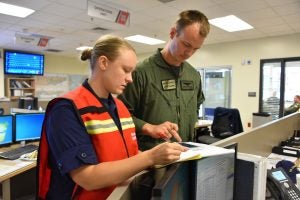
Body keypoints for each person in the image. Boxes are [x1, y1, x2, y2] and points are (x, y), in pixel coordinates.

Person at [37, 35, 187, 200]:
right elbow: (88, 178)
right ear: (103, 63)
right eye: (125, 70)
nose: (130, 79)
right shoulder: (65, 109)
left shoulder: (120, 107)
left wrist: (161, 156)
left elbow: (128, 153)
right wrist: (150, 157)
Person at [118, 10, 210, 150]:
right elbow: (119, 116)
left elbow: (196, 107)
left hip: (186, 152)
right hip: (150, 157)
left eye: (195, 49)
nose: (189, 53)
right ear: (173, 33)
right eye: (186, 44)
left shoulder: (193, 75)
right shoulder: (141, 72)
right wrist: (149, 128)